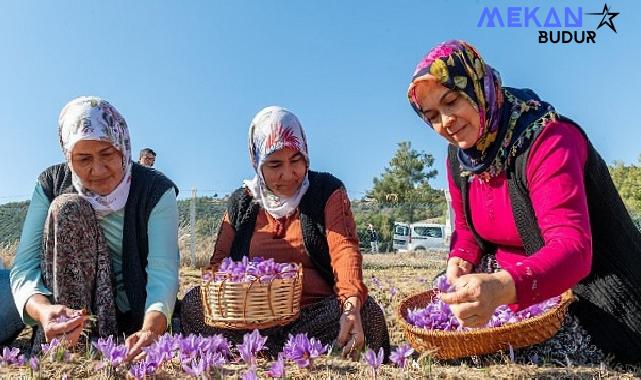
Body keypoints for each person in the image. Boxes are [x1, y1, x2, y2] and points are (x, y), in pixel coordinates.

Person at [407, 40, 641, 364]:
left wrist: (499, 289)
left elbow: (572, 249)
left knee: (497, 355)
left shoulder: (548, 140)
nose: (445, 122)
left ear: (478, 87)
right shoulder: (461, 156)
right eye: (432, 115)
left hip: (589, 292)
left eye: (452, 101)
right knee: (443, 340)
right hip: (512, 284)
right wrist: (460, 258)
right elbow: (465, 228)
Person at [180, 106, 390, 360]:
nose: (288, 175)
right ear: (257, 163)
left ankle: (276, 353)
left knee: (366, 312)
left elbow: (344, 249)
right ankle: (253, 352)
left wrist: (350, 304)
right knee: (193, 302)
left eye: (296, 160)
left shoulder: (326, 190)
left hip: (314, 317)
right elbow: (219, 264)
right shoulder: (242, 203)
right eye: (275, 164)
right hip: (248, 321)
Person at [10, 96, 179, 360]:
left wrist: (151, 328)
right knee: (68, 208)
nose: (97, 169)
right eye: (83, 158)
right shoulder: (51, 182)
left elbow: (163, 273)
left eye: (107, 153)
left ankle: (109, 345)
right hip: (69, 314)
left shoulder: (155, 190)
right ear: (68, 157)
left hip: (132, 316)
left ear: (122, 147)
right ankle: (70, 347)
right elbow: (24, 267)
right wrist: (43, 311)